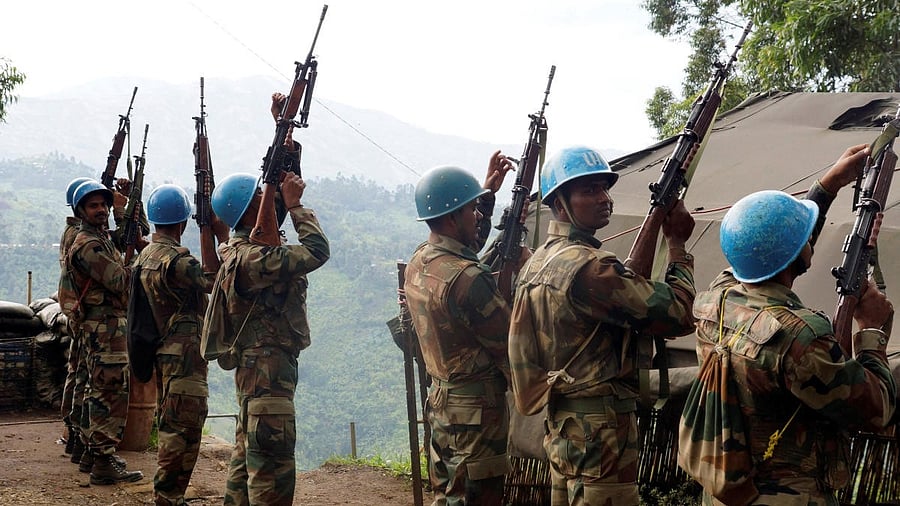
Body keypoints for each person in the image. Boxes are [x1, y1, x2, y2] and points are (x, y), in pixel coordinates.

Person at [685, 144, 896, 505]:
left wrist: (829, 184)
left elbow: (771, 254)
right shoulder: (800, 337)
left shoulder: (713, 302)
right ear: (792, 258)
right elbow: (876, 409)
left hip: (725, 494)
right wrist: (872, 331)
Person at [508, 145, 697, 506]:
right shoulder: (590, 269)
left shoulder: (538, 262)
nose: (603, 198)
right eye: (589, 190)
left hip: (564, 428)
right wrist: (677, 246)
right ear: (560, 203)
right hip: (600, 435)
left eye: (604, 188)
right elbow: (679, 314)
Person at [403, 153, 517, 506]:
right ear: (453, 218)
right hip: (477, 414)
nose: (479, 215)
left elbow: (465, 250)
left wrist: (487, 192)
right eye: (472, 210)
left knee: (449, 495)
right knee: (476, 496)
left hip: (442, 402)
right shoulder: (470, 279)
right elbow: (511, 347)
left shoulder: (421, 260)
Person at [211, 168, 330, 505]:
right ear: (252, 210)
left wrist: (289, 151)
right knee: (271, 474)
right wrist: (295, 207)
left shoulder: (236, 252)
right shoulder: (255, 259)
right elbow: (317, 250)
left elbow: (268, 238)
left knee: (246, 460)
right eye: (266, 199)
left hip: (255, 376)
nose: (274, 201)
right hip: (268, 377)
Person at [134, 184, 228, 505]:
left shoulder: (146, 255)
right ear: (182, 223)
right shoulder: (177, 262)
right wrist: (217, 235)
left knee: (174, 422)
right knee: (182, 428)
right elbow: (215, 280)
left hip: (164, 352)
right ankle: (168, 496)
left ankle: (170, 495)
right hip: (184, 355)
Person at [62, 179, 143, 484]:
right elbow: (121, 281)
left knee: (93, 387)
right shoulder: (89, 245)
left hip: (102, 324)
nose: (101, 210)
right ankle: (103, 459)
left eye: (103, 205)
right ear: (81, 210)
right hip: (104, 327)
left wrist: (126, 212)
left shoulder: (99, 238)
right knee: (109, 390)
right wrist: (143, 261)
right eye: (93, 206)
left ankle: (89, 452)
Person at [59, 176, 91, 459]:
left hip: (80, 315)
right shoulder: (81, 238)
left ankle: (73, 432)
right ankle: (79, 433)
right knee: (85, 377)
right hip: (90, 317)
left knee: (78, 374)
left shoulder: (72, 234)